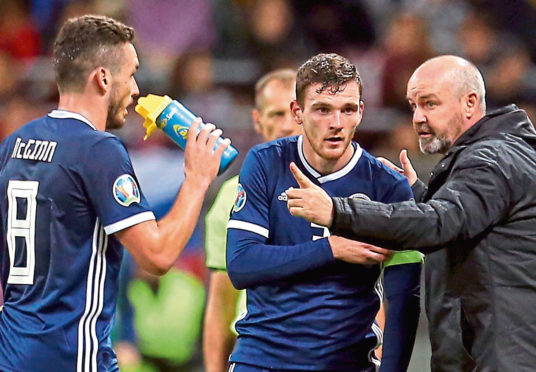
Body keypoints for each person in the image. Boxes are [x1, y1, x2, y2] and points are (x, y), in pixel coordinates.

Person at [0, 15, 229, 372]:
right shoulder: (98, 150)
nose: (135, 88)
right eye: (131, 72)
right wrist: (197, 179)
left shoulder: (16, 143)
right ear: (103, 78)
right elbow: (157, 255)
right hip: (73, 358)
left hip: (12, 354)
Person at [286, 55, 536, 371]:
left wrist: (337, 211)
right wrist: (417, 195)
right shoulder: (494, 155)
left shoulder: (490, 160)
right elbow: (464, 224)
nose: (417, 117)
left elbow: (441, 223)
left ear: (470, 103)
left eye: (430, 104)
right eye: (413, 105)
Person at [226, 53, 422, 372]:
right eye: (322, 110)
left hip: (347, 362)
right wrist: (331, 249)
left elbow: (404, 300)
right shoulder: (265, 162)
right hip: (262, 359)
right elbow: (241, 265)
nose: (336, 123)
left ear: (361, 111)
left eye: (347, 110)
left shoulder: (387, 187)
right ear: (298, 112)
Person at [203, 68, 302, 372]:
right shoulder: (233, 196)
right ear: (258, 121)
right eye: (275, 114)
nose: (286, 125)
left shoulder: (341, 188)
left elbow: (367, 292)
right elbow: (221, 303)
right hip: (256, 355)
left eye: (293, 114)